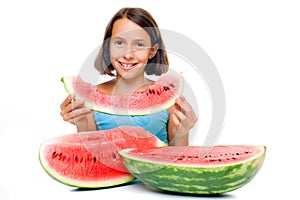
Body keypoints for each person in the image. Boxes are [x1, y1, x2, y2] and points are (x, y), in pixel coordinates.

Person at [60, 7, 197, 146]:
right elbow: (91, 156)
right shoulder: (89, 100)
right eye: (119, 43)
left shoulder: (169, 99)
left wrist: (183, 132)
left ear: (153, 51)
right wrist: (81, 123)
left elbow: (178, 158)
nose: (128, 55)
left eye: (139, 44)